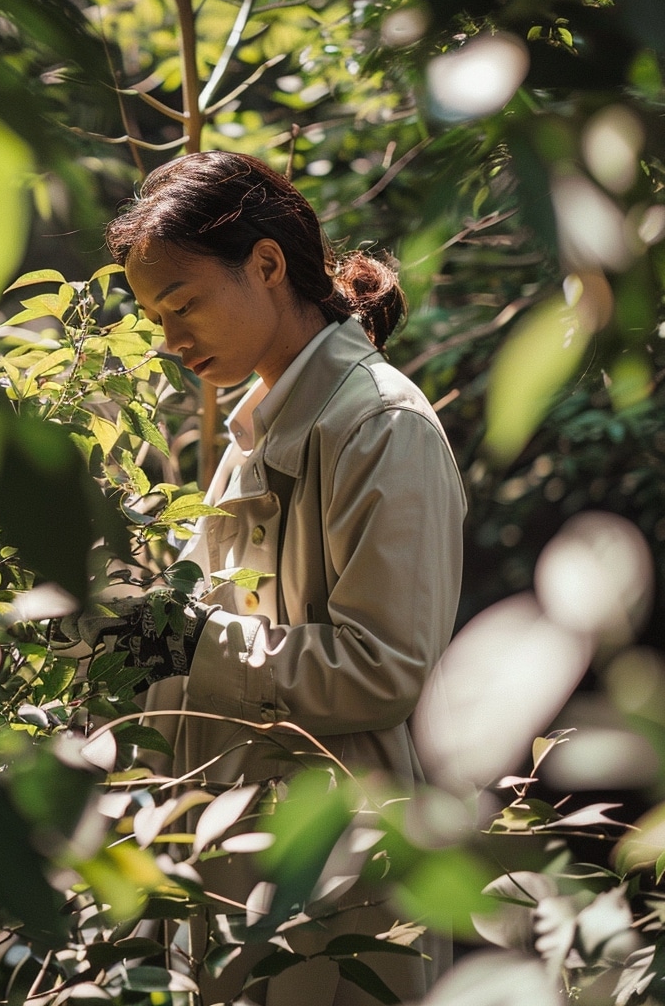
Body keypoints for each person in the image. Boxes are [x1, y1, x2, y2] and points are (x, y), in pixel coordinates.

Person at [88, 151, 466, 1005]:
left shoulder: (380, 425)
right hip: (228, 861)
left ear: (266, 264)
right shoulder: (256, 431)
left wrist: (172, 638)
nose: (172, 339)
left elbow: (385, 668)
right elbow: (182, 637)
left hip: (334, 866)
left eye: (183, 304)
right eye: (155, 317)